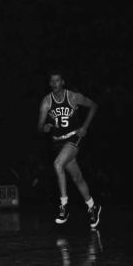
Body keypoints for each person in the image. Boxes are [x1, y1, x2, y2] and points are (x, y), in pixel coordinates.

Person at [36, 70, 101, 229]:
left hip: (73, 138)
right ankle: (92, 207)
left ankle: (64, 206)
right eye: (52, 81)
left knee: (58, 164)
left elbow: (94, 106)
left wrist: (84, 127)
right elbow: (39, 127)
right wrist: (46, 127)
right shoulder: (46, 102)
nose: (54, 84)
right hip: (58, 142)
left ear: (62, 82)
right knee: (77, 177)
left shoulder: (73, 96)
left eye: (57, 80)